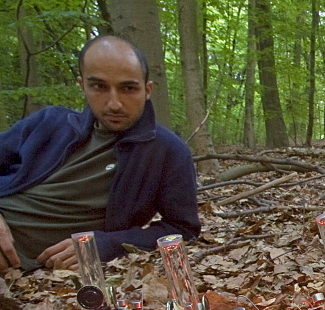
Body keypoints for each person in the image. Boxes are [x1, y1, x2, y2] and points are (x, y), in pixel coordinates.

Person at [0, 35, 200, 272]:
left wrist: (107, 244)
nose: (114, 103)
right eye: (99, 87)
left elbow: (183, 230)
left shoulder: (167, 151)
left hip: (26, 270)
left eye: (128, 88)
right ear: (82, 84)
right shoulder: (48, 123)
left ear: (147, 90)